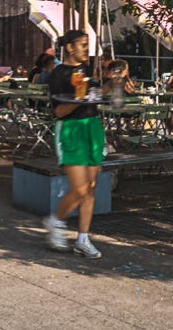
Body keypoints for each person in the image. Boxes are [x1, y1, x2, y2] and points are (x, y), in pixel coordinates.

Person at [42, 30, 118, 259]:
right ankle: (55, 222)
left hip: (92, 126)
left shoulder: (84, 70)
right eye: (83, 45)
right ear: (70, 48)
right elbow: (59, 111)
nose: (87, 49)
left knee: (91, 187)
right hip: (71, 130)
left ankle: (83, 239)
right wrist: (80, 98)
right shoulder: (58, 74)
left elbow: (93, 95)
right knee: (80, 189)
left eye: (88, 45)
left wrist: (111, 85)